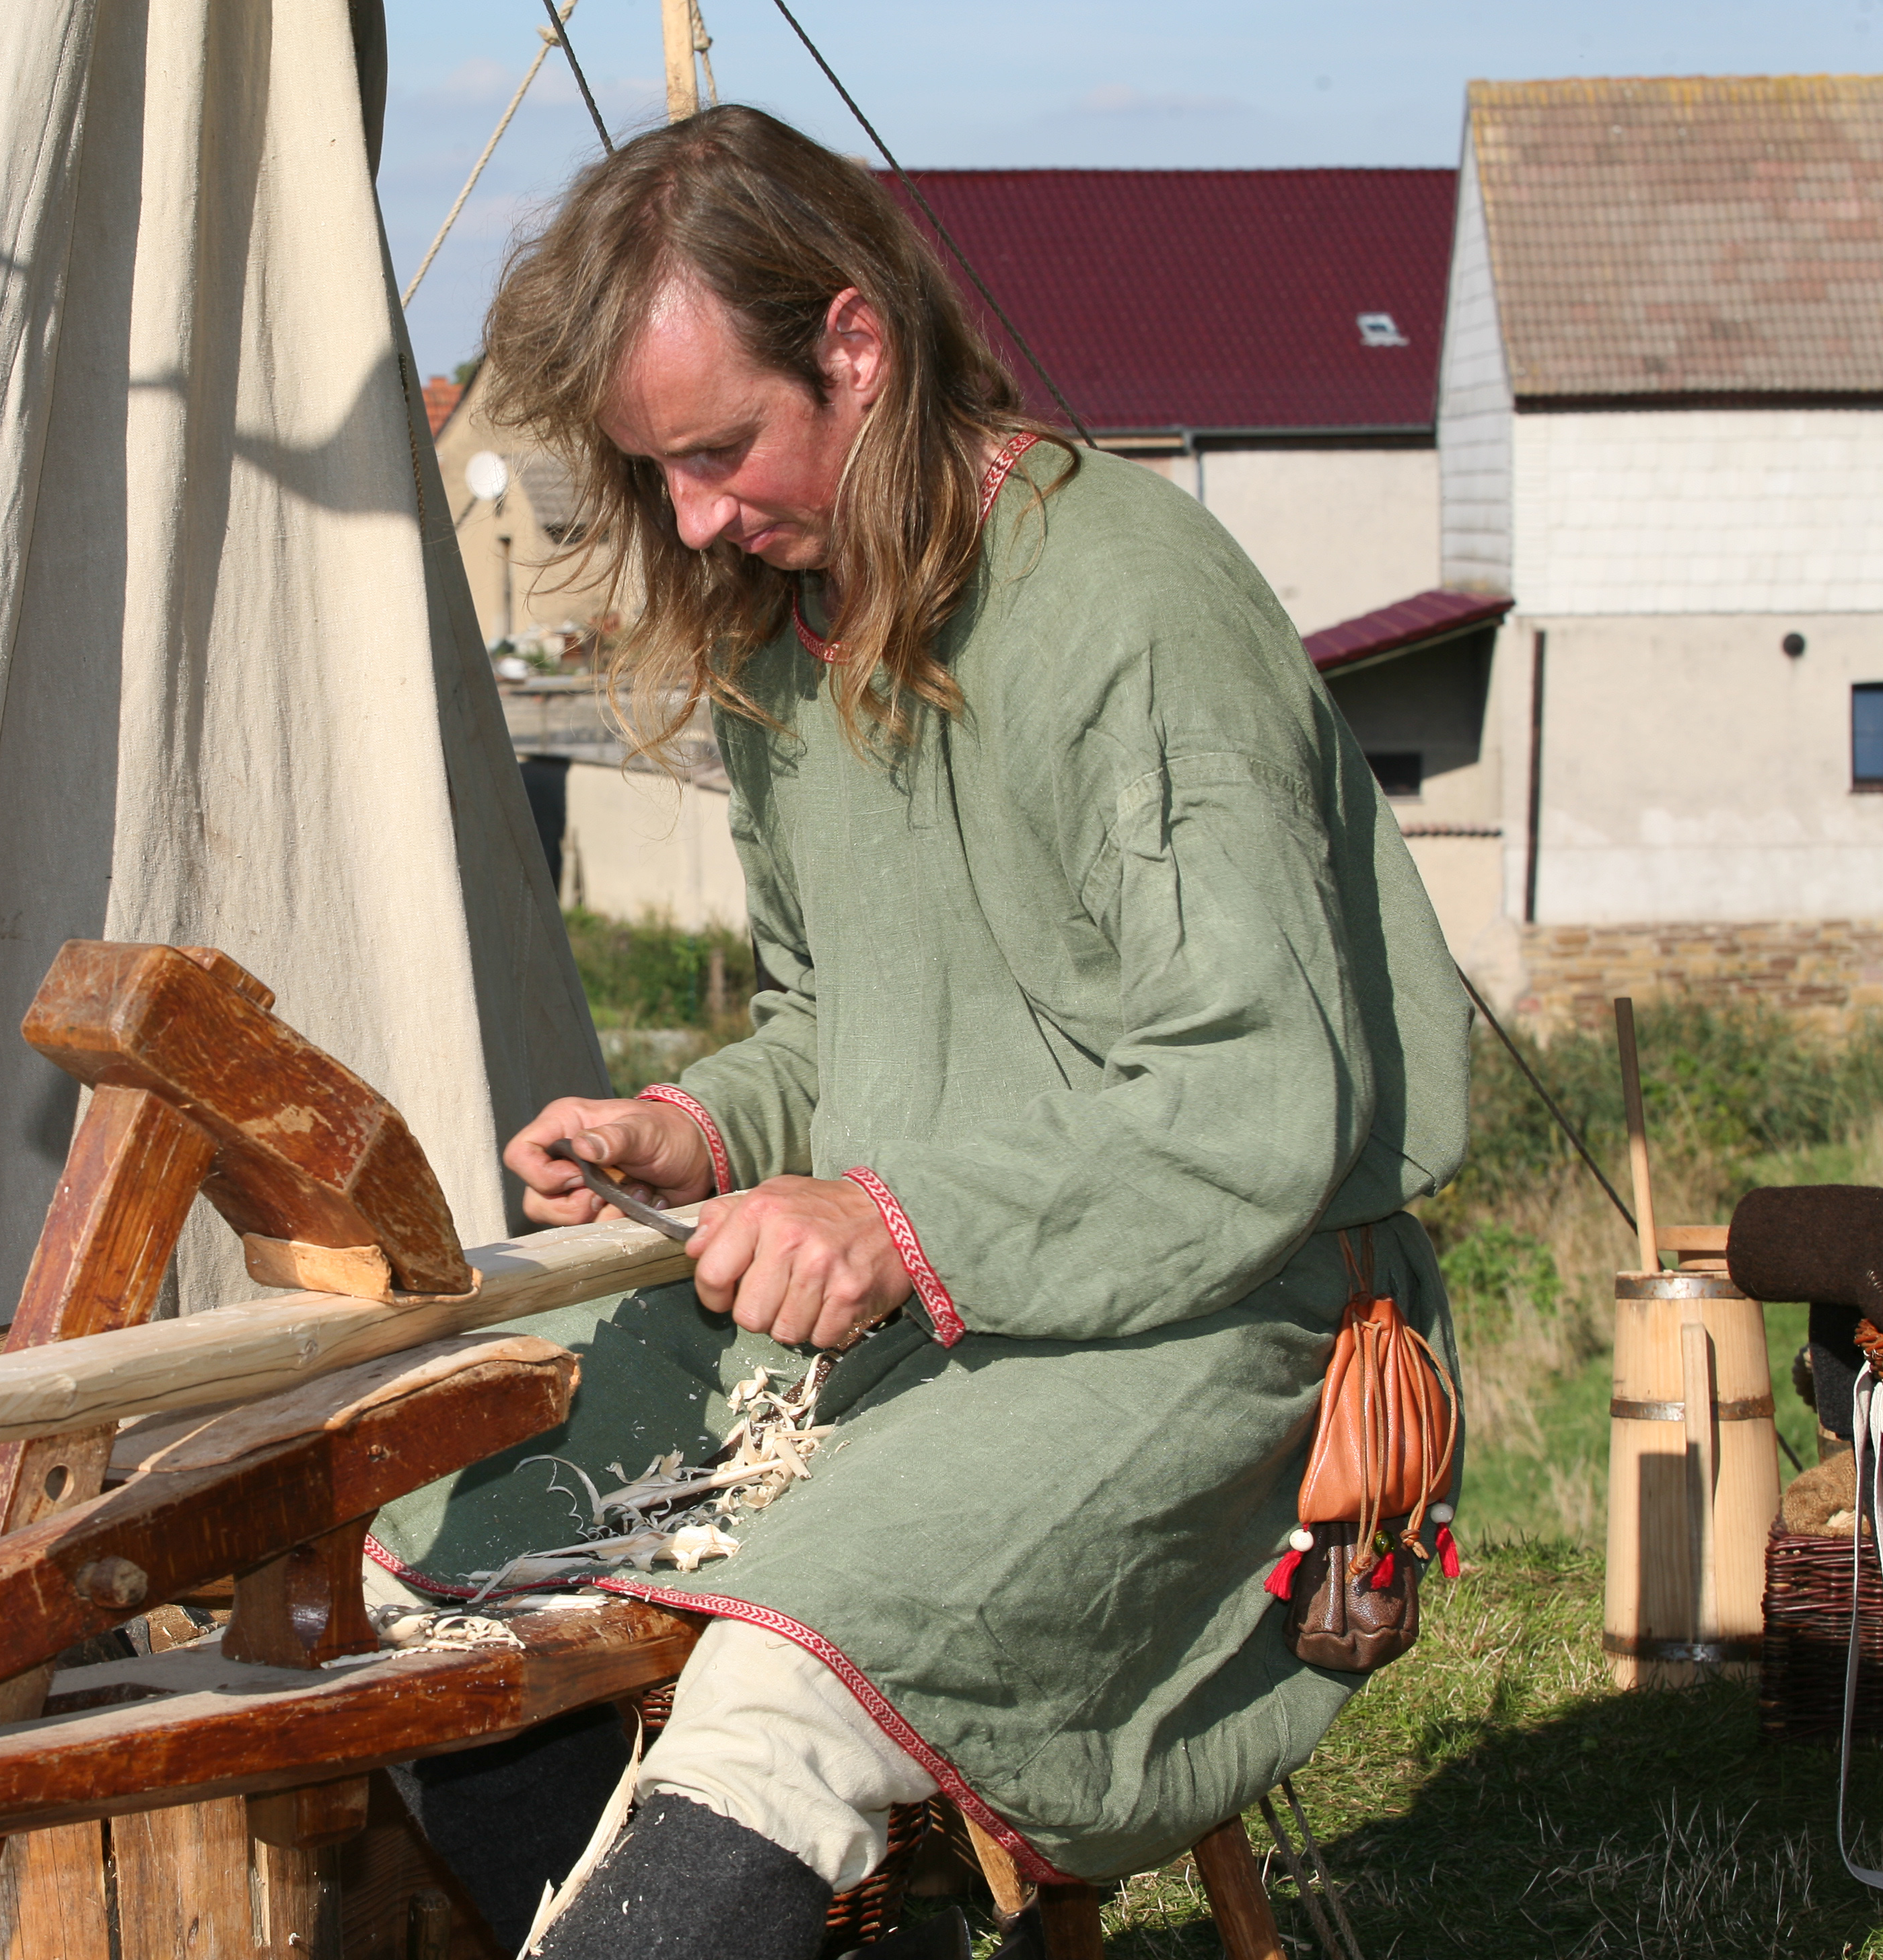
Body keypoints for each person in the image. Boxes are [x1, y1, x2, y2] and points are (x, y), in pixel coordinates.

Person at [367, 106, 1468, 1958]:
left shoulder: (1129, 603)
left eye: (717, 450)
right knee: (430, 1527)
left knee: (786, 1691)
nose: (694, 516)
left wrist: (893, 1223)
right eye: (656, 472)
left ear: (858, 347)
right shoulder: (784, 636)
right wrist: (701, 1129)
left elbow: (1262, 1097)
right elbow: (838, 1026)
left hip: (1225, 1316)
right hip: (924, 1316)